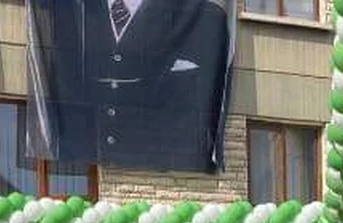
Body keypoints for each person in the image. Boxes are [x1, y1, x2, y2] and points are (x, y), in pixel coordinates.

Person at [27, 0, 232, 172]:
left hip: (162, 181)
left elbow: (204, 110)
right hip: (84, 173)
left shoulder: (205, 17)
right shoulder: (68, 10)